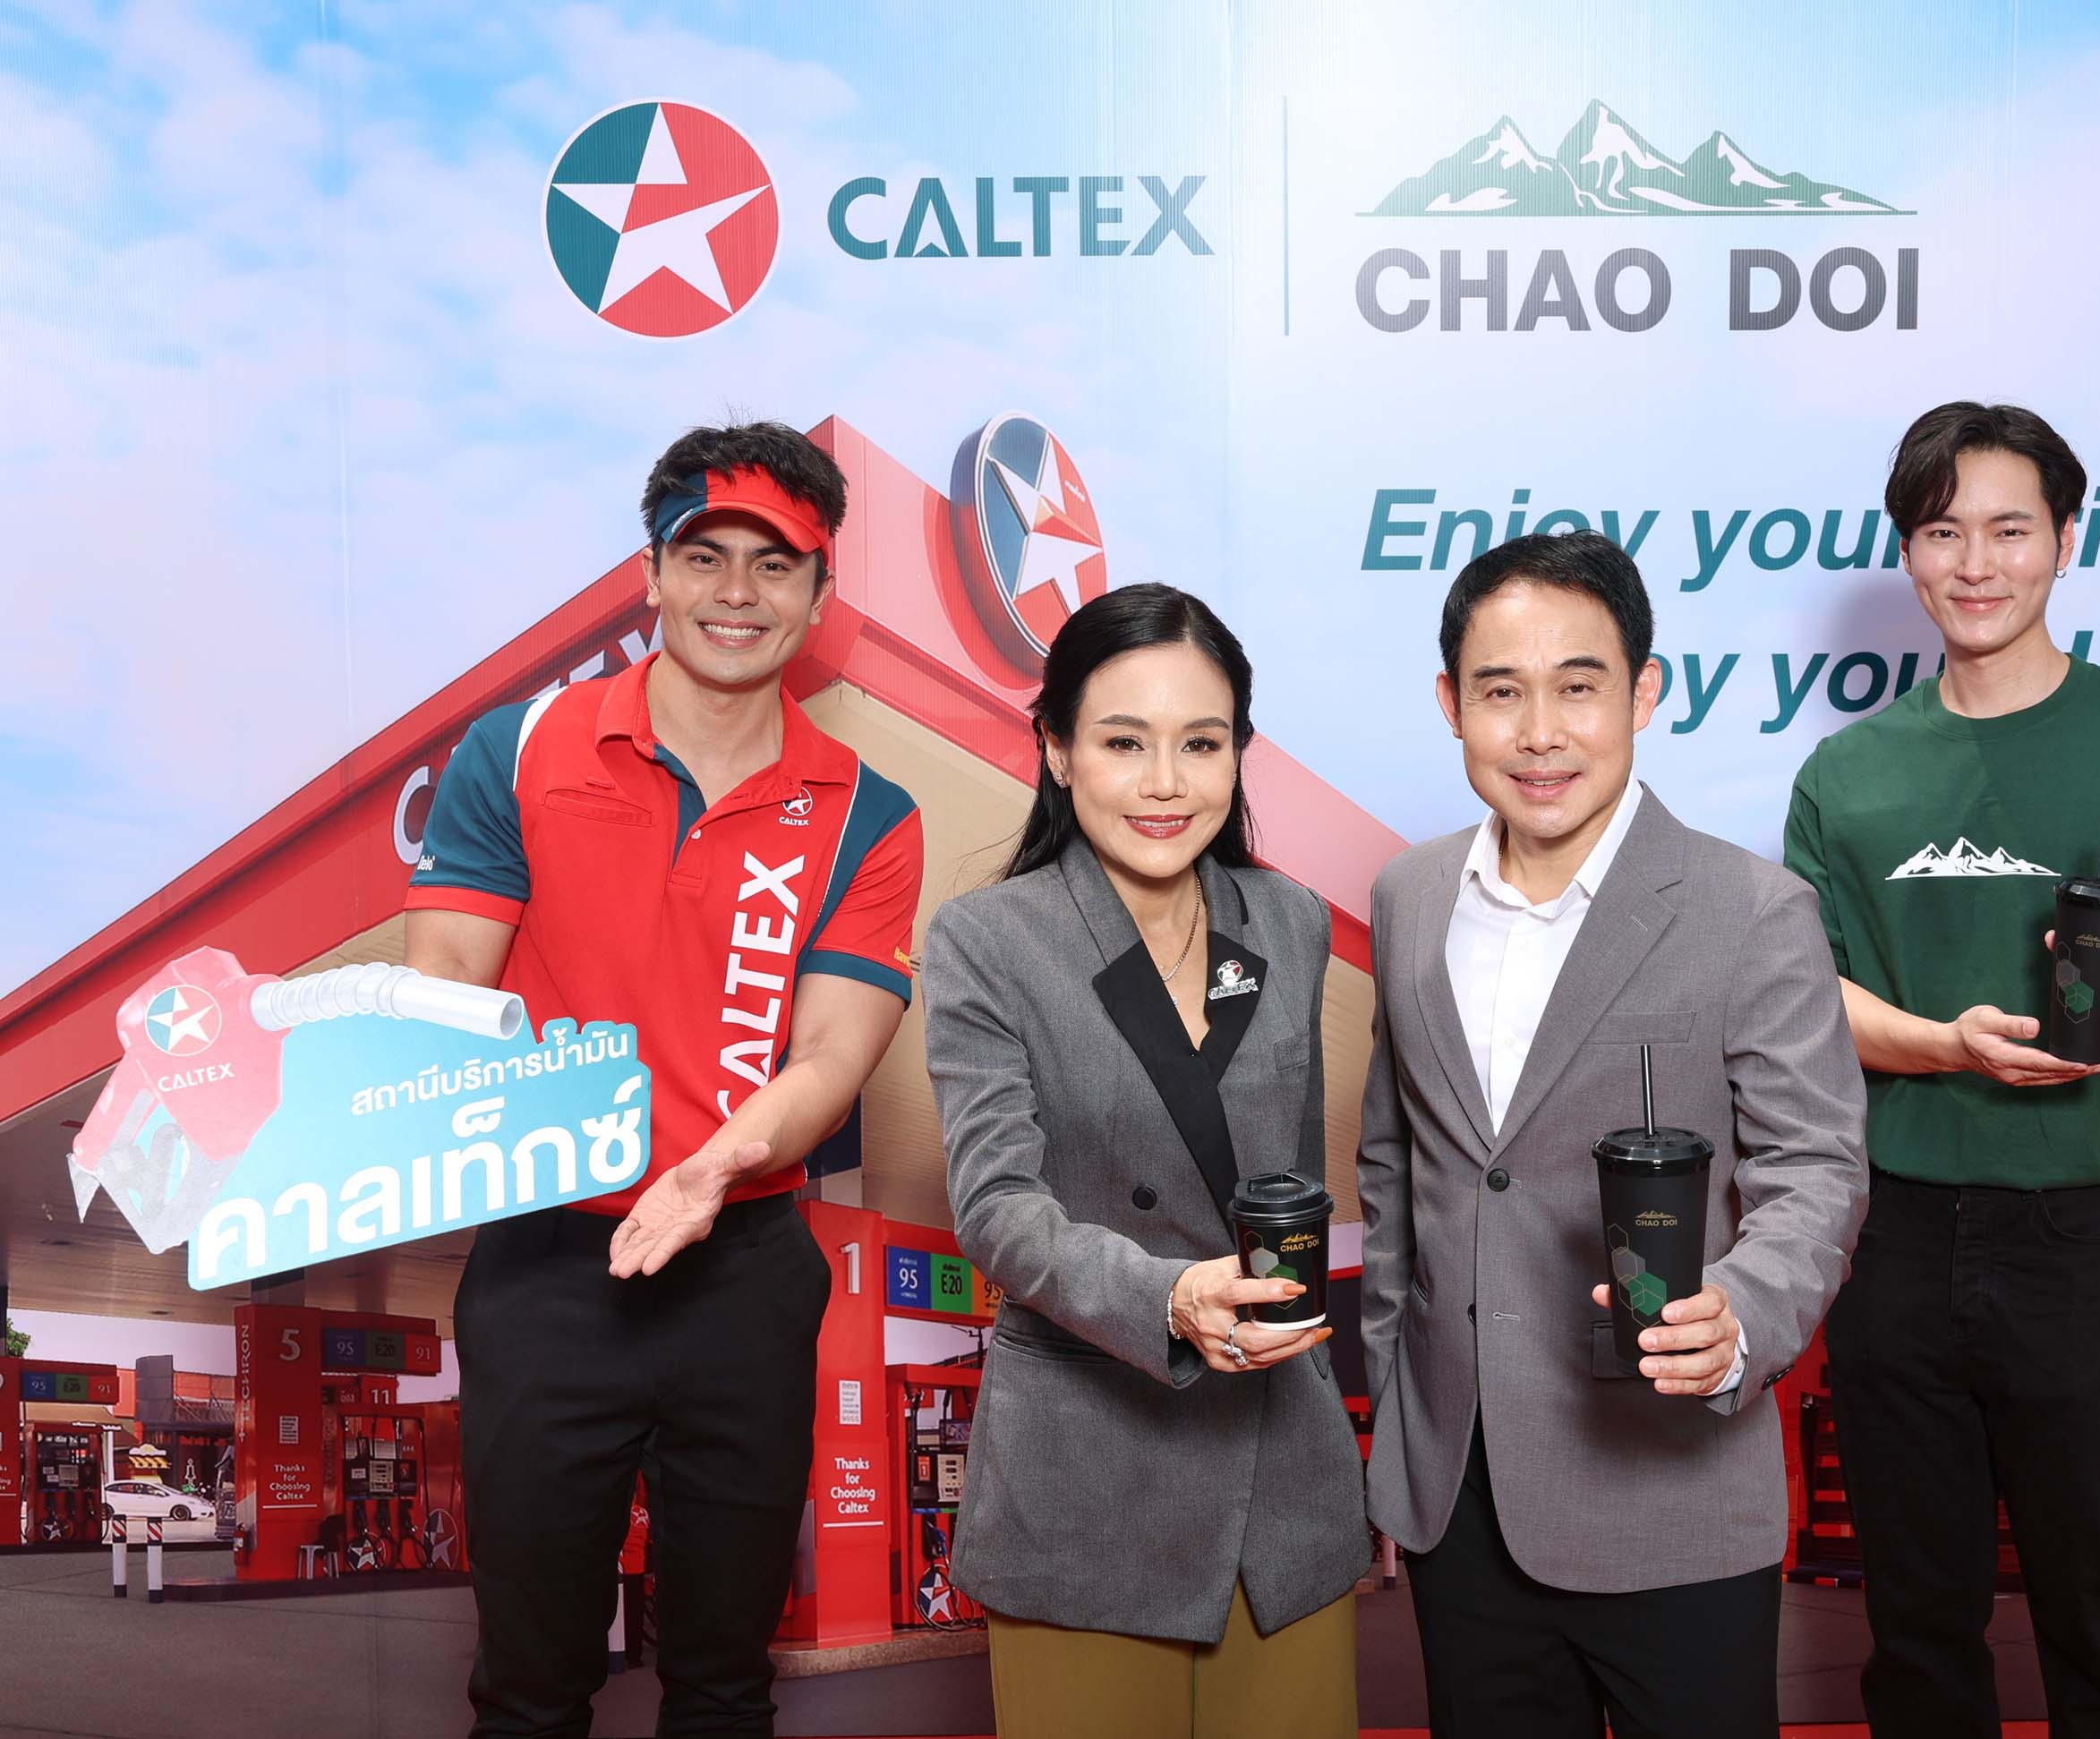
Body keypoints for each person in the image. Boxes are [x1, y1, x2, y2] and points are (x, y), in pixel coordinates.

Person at [1783, 402, 2100, 1738]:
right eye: (1942, 532)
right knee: (1918, 1637)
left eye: (2010, 530)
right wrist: (1942, 1045)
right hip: (1896, 1239)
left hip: (2087, 1244)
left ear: (2067, 540)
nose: (1977, 564)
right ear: (1907, 550)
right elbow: (1807, 998)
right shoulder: (1847, 774)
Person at [405, 421, 923, 1737]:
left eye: (775, 564)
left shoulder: (869, 811)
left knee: (723, 1682)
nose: (736, 593)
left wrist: (711, 1169)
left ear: (819, 595)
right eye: (704, 556)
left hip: (741, 1265)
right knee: (528, 1684)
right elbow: (445, 988)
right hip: (546, 1262)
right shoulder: (518, 749)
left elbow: (833, 1055)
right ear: (650, 575)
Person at [1357, 531, 1870, 1739]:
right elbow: (1398, 1167)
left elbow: (1814, 1170)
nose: (1541, 732)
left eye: (1578, 686)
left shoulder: (1753, 910)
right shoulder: (1409, 896)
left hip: (1667, 1485)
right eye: (1501, 691)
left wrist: (1740, 1313)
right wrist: (1396, 1421)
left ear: (1644, 692)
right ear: (1452, 706)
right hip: (1459, 1498)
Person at [924, 584, 1366, 1739]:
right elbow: (997, 1207)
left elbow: (1293, 1184)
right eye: (1124, 743)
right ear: (1057, 751)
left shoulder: (1290, 921)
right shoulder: (989, 941)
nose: (1166, 782)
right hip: (1089, 1478)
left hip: (1282, 1480)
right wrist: (1168, 1298)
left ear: (1239, 754)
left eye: (1200, 744)